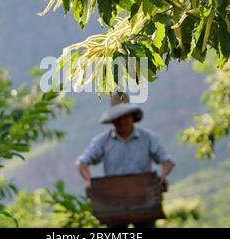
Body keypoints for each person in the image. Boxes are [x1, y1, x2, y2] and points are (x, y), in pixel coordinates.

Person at [75, 92, 175, 228]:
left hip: (144, 200)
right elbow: (82, 162)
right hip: (114, 204)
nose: (122, 121)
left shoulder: (148, 138)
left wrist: (163, 176)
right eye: (117, 118)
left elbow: (167, 161)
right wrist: (89, 181)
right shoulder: (103, 141)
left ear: (132, 117)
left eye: (125, 117)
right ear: (112, 120)